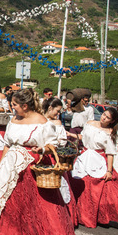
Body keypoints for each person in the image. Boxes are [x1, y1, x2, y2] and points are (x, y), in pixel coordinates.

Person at [0, 89, 81, 235]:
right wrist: (0, 166)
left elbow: (52, 144)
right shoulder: (14, 120)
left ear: (24, 105)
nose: (11, 107)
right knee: (3, 202)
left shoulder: (42, 121)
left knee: (33, 206)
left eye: (14, 105)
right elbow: (7, 144)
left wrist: (42, 149)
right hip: (11, 166)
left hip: (31, 167)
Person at [68, 108, 118, 228]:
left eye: (107, 117)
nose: (103, 118)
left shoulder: (110, 132)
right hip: (84, 157)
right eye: (104, 114)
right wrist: (69, 134)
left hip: (98, 160)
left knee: (94, 189)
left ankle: (90, 216)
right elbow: (82, 137)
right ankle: (77, 214)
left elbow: (110, 153)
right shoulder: (89, 123)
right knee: (78, 183)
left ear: (112, 121)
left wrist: (109, 171)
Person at [43, 97, 78, 226]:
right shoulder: (42, 119)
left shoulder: (57, 122)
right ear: (50, 108)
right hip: (44, 155)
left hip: (54, 156)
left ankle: (60, 217)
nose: (58, 114)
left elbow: (62, 141)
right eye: (57, 111)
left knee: (58, 185)